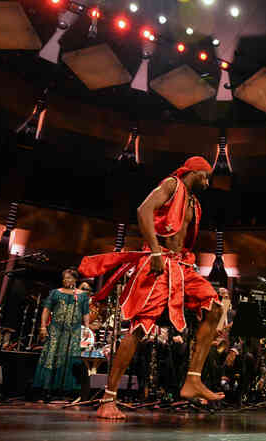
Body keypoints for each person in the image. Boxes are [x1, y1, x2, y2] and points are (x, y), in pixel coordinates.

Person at [79, 156, 224, 419]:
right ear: (195, 171)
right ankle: (108, 400)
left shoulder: (195, 203)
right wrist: (156, 251)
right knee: (140, 328)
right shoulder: (172, 184)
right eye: (205, 176)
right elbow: (143, 210)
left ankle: (193, 379)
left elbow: (183, 238)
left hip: (180, 266)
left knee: (214, 305)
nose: (207, 181)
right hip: (157, 264)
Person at [31, 268, 91, 401]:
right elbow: (46, 310)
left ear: (75, 280)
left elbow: (85, 312)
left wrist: (86, 328)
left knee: (69, 358)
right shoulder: (55, 293)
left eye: (69, 278)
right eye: (64, 278)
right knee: (51, 356)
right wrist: (43, 326)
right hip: (55, 330)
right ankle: (46, 389)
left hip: (73, 331)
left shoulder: (81, 296)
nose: (66, 280)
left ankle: (64, 391)